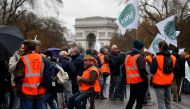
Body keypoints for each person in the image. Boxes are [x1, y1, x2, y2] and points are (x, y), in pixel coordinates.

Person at [14, 40, 46, 109]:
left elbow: (18, 75)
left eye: (24, 47)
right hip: (40, 90)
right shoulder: (41, 57)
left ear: (27, 48)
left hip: (27, 91)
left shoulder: (23, 59)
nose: (23, 48)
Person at [150, 41, 177, 109]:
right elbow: (174, 69)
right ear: (167, 47)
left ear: (159, 48)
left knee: (161, 102)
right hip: (168, 82)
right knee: (168, 101)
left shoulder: (156, 58)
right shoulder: (173, 58)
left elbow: (152, 71)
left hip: (159, 82)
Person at [125, 40, 148, 109]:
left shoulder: (128, 56)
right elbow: (141, 70)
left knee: (131, 100)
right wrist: (146, 82)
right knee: (139, 102)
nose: (144, 49)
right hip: (140, 82)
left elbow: (124, 69)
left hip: (131, 82)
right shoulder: (139, 56)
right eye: (143, 48)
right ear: (140, 48)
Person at [8, 43, 25, 109]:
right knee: (16, 103)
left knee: (19, 103)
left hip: (25, 84)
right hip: (15, 84)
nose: (24, 50)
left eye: (25, 48)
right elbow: (10, 69)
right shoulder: (14, 57)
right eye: (22, 48)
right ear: (19, 48)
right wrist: (18, 61)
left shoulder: (27, 57)